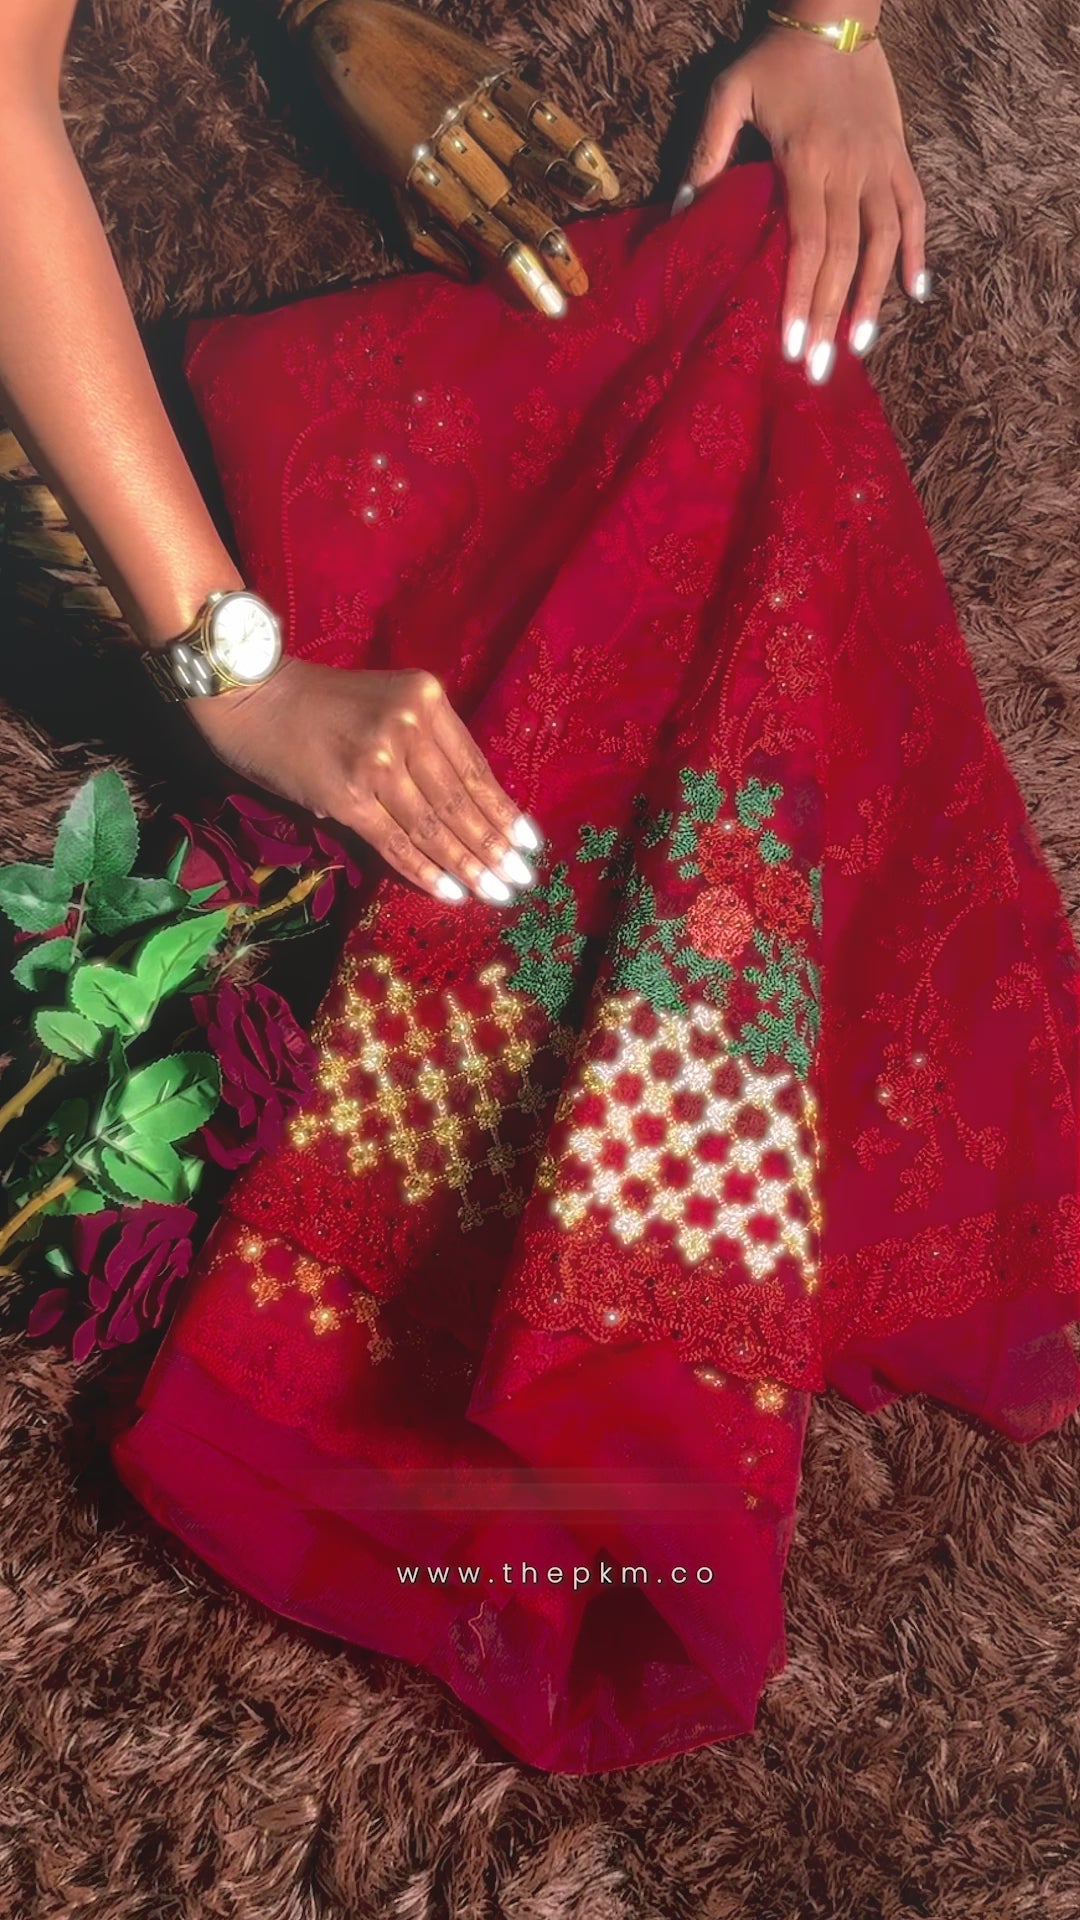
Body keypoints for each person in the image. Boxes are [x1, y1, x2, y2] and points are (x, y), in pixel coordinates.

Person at [3, 0, 1079, 1775]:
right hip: (244, 324)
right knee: (730, 345)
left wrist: (836, 30)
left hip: (600, 197)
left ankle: (634, 1293)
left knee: (757, 318)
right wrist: (234, 667)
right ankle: (580, 1323)